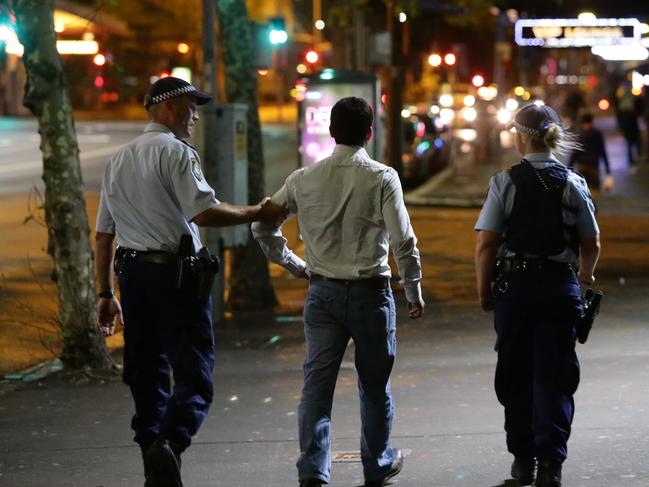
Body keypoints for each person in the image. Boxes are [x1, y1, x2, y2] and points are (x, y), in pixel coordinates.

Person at [95, 76, 286, 487]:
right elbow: (205, 213)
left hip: (132, 274)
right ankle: (169, 443)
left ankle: (156, 463)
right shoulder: (177, 153)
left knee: (145, 371)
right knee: (194, 373)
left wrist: (105, 293)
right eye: (190, 106)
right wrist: (258, 212)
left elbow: (103, 236)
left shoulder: (118, 161)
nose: (196, 115)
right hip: (175, 276)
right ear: (167, 109)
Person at [251, 96, 425, 487]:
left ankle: (314, 468)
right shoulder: (382, 177)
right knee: (375, 385)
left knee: (317, 383)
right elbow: (404, 240)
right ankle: (377, 463)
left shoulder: (302, 180)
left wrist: (297, 266)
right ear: (369, 133)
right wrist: (412, 289)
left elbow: (262, 226)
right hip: (371, 294)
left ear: (331, 133)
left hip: (322, 293)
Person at [474, 103, 600, 487]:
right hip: (560, 290)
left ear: (519, 138)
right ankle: (551, 464)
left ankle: (522, 460)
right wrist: (584, 276)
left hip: (516, 289)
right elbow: (591, 241)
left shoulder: (504, 182)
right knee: (555, 376)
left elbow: (486, 244)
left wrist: (484, 290)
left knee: (514, 375)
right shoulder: (574, 183)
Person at [568, 112, 612, 196]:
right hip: (594, 166)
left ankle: (588, 206)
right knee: (595, 190)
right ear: (592, 121)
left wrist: (569, 169)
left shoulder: (579, 134)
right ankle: (592, 205)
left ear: (581, 122)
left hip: (582, 166)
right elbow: (602, 151)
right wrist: (608, 170)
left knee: (583, 191)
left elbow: (574, 153)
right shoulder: (597, 134)